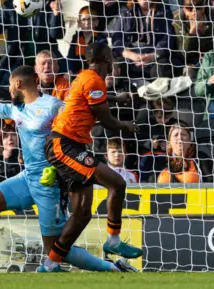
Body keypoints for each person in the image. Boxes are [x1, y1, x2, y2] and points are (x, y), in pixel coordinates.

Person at [0, 64, 137, 274]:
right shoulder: (15, 110)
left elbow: (83, 107)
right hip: (27, 179)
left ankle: (112, 268)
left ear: (18, 83)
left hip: (50, 185)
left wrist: (114, 100)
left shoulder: (53, 105)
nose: (7, 90)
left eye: (9, 85)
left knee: (55, 250)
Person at [41, 42, 142, 272]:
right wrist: (125, 125)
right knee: (117, 183)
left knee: (82, 213)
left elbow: (88, 102)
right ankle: (113, 240)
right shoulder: (94, 80)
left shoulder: (85, 77)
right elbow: (106, 121)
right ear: (107, 57)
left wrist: (115, 99)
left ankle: (50, 265)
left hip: (69, 144)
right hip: (64, 145)